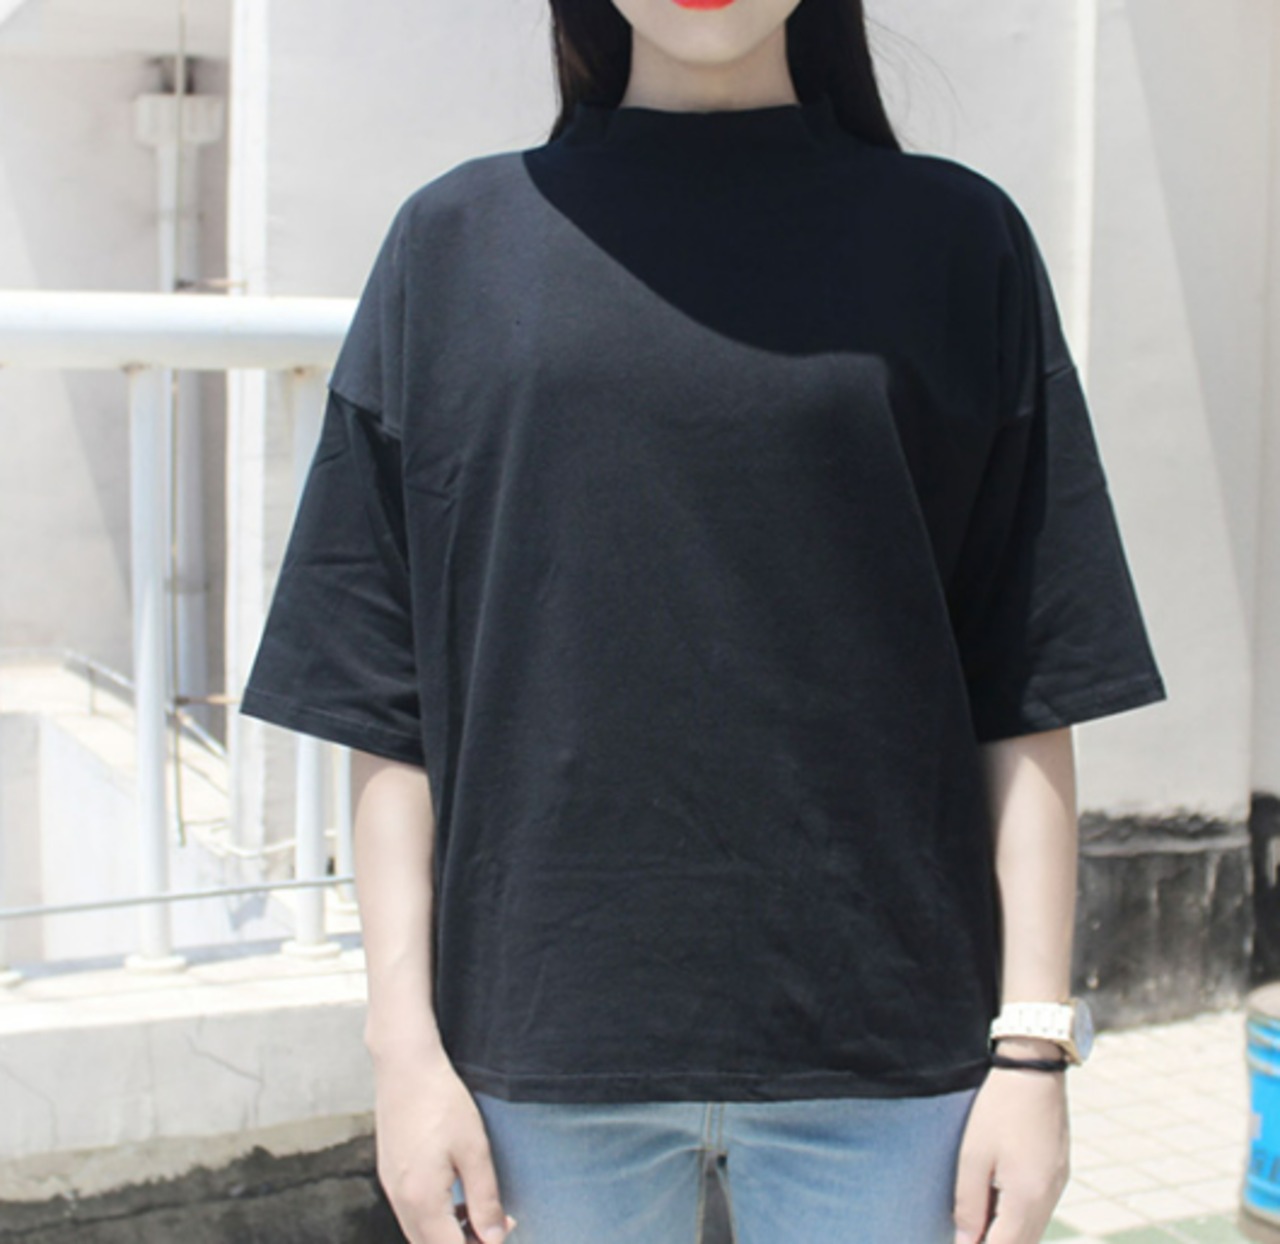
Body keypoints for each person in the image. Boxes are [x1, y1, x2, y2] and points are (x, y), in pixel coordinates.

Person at [238, 2, 1168, 1242]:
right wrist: (401, 1050)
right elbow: (382, 700)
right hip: (534, 1060)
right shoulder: (452, 244)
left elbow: (1028, 679)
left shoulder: (954, 240)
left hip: (892, 1058)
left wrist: (1032, 1050)